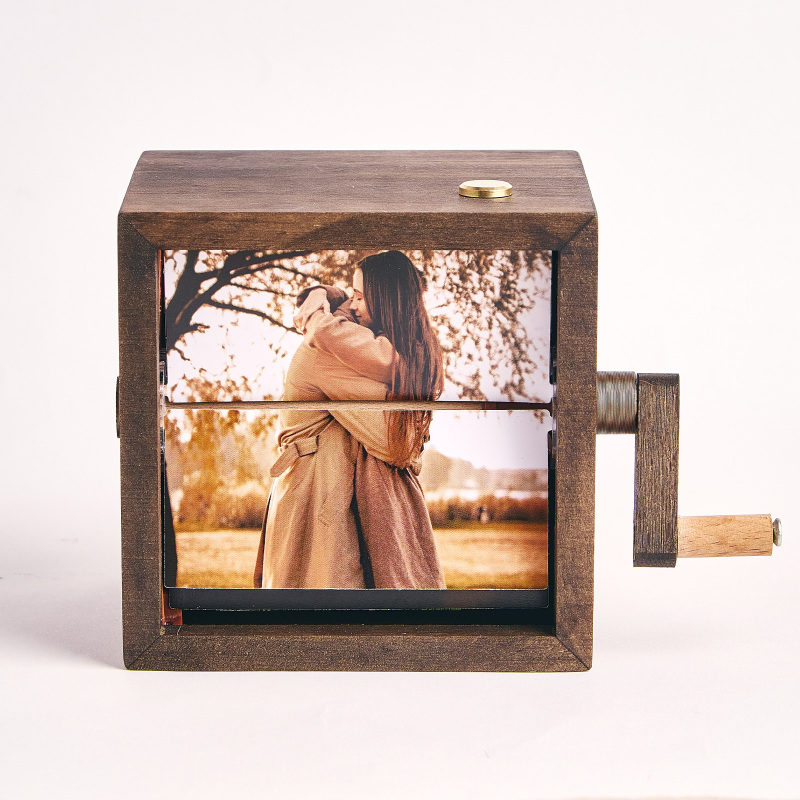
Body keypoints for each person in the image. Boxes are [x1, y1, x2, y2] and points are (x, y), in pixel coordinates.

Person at [256, 251, 445, 590]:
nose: (354, 305)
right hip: (316, 501)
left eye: (360, 296)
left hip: (334, 497)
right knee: (328, 606)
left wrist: (325, 294)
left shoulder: (358, 348)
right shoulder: (329, 351)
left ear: (386, 301)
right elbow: (396, 442)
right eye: (352, 295)